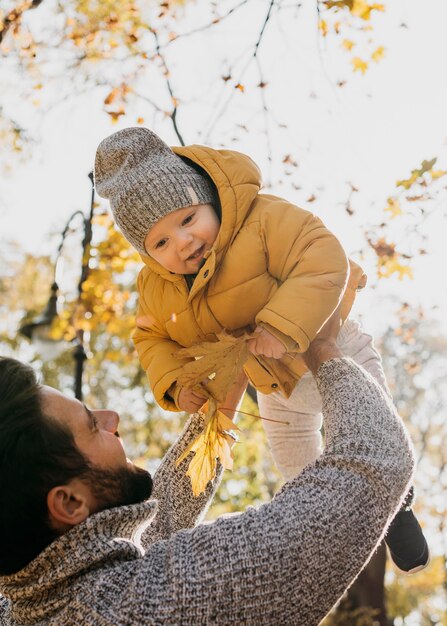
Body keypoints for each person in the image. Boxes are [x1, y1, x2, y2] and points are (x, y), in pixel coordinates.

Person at [94, 127, 429, 574]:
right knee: (294, 458)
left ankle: (398, 503)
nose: (184, 243)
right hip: (273, 379)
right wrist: (176, 383)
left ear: (209, 199)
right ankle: (323, 528)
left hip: (334, 344)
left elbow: (322, 254)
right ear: (147, 255)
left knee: (367, 420)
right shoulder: (157, 290)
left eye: (188, 219)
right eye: (161, 243)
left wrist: (280, 323)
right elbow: (150, 338)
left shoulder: (261, 219)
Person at [0, 316, 415, 625]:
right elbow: (375, 462)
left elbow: (157, 524)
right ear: (69, 502)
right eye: (93, 426)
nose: (112, 418)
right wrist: (323, 346)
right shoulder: (148, 609)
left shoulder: (22, 605)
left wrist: (223, 394)